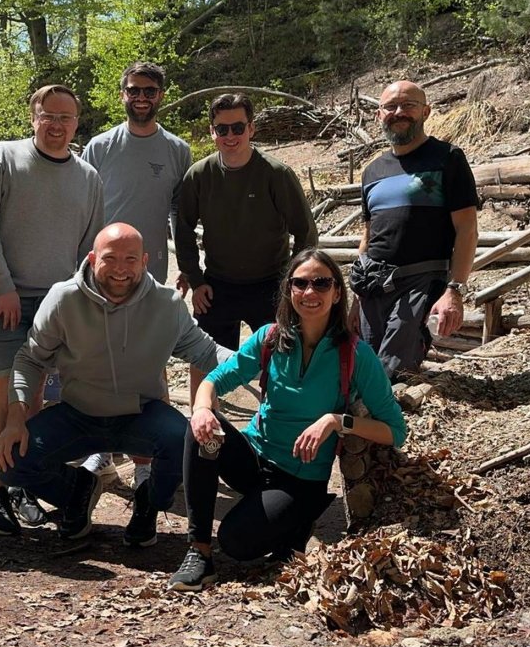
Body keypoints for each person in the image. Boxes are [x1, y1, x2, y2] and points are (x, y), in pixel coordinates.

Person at [170, 249, 407, 591]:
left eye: (321, 283)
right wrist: (204, 408)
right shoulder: (270, 337)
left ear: (337, 292)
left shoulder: (355, 354)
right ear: (289, 290)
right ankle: (199, 554)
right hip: (254, 458)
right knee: (198, 429)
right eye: (301, 283)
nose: (310, 292)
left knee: (237, 543)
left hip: (300, 477)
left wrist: (337, 421)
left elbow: (394, 431)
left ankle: (296, 523)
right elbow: (213, 381)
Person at [0, 223, 231, 547]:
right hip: (78, 414)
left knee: (183, 442)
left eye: (130, 259)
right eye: (110, 258)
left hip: (141, 414)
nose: (120, 269)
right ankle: (77, 490)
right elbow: (31, 359)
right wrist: (16, 419)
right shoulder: (63, 299)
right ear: (92, 259)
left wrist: (258, 359)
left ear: (145, 261)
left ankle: (150, 501)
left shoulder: (166, 304)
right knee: (8, 460)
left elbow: (205, 351)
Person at [0, 84, 106, 536]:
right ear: (33, 117)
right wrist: (3, 287)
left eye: (66, 118)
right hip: (2, 297)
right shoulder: (2, 159)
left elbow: (91, 248)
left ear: (76, 124)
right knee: (3, 395)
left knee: (37, 400)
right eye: (48, 115)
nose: (57, 125)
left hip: (58, 301)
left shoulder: (88, 178)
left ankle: (24, 482)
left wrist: (80, 299)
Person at [80, 60, 191, 489]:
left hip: (151, 273)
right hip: (98, 273)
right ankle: (101, 452)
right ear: (122, 94)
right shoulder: (100, 146)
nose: (141, 97)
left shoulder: (176, 150)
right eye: (133, 90)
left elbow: (182, 215)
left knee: (147, 362)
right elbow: (84, 209)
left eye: (149, 90)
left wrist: (187, 267)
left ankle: (146, 459)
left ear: (161, 94)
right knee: (94, 360)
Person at [174, 93, 317, 404]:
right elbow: (182, 230)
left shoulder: (275, 174)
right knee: (204, 356)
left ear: (252, 128)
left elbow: (305, 232)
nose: (230, 136)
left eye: (237, 128)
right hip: (217, 284)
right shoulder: (199, 175)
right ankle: (203, 422)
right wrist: (196, 281)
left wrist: (293, 284)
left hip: (270, 283)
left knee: (279, 356)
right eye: (221, 129)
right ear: (211, 132)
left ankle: (275, 420)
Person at [351, 80, 479, 379]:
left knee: (393, 369)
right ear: (378, 115)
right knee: (364, 366)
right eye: (390, 107)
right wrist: (356, 299)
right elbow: (368, 236)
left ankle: (383, 423)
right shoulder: (372, 171)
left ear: (426, 111)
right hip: (373, 285)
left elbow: (467, 230)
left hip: (420, 282)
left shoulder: (447, 158)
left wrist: (454, 290)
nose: (399, 112)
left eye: (408, 105)